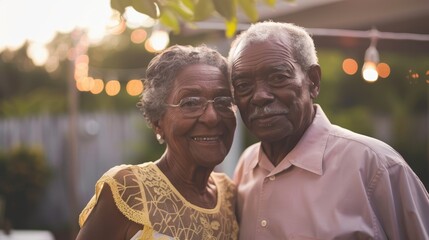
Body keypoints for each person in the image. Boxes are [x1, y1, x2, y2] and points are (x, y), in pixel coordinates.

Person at [228, 21, 429, 240]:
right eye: (243, 85)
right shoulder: (246, 166)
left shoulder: (376, 166)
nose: (259, 96)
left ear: (313, 82)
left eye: (278, 78)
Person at [76, 45, 238, 240]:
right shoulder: (127, 190)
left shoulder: (229, 196)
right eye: (191, 102)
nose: (212, 118)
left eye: (223, 101)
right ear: (157, 121)